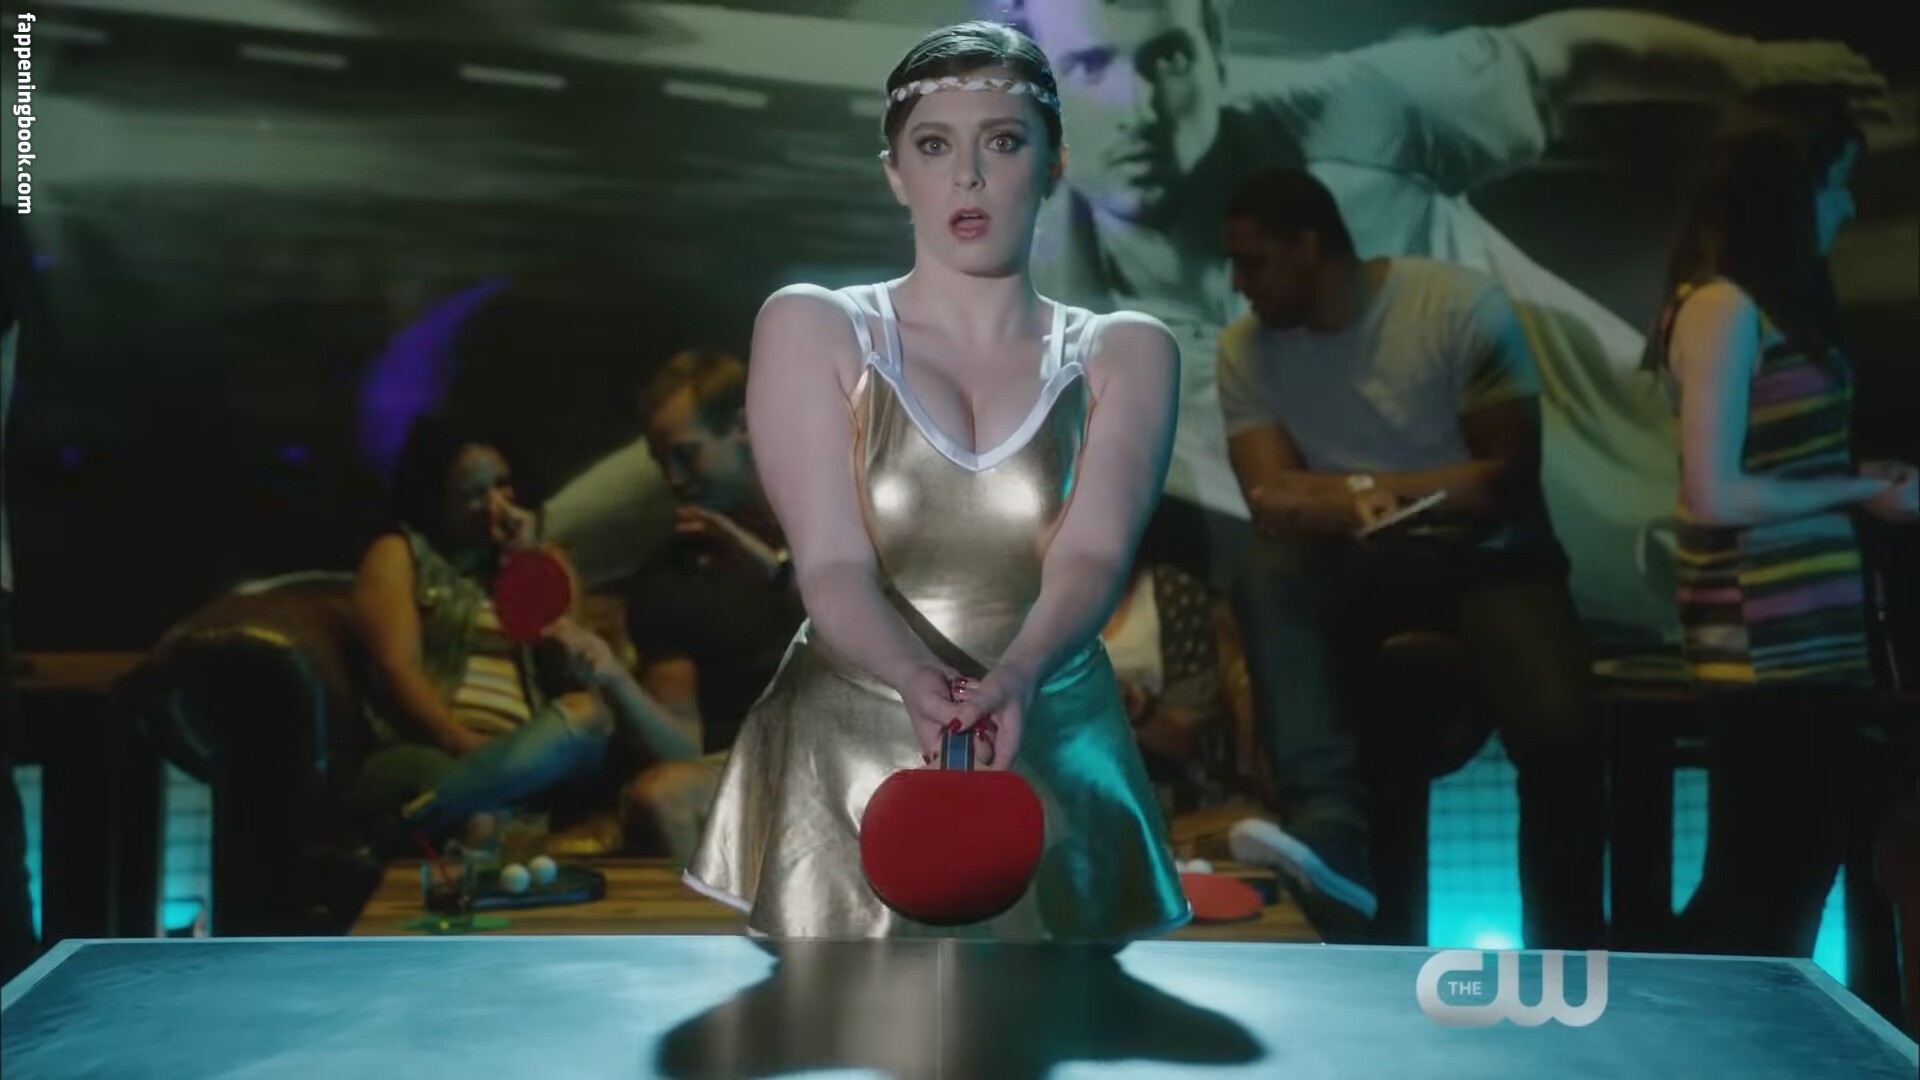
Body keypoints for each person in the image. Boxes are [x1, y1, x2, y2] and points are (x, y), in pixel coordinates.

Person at [1015, 0, 1887, 645]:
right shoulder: (1044, 313)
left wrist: (1754, 65)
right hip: (1493, 595)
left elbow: (1566, 59)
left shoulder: (1357, 112)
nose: (1137, 105)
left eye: (1167, 57)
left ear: (1214, 44)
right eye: (1088, 66)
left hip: (1680, 512)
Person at [683, 20, 1189, 941]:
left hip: (1052, 732)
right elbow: (831, 564)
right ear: (894, 173)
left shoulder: (1128, 351)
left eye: (1002, 142)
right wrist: (916, 677)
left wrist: (1019, 677)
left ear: (1054, 164)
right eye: (933, 146)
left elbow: (1092, 554)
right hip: (854, 747)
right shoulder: (814, 327)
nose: (968, 177)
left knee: (1062, 1016)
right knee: (838, 1017)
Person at [1217, 169, 1603, 948]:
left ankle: (1564, 955)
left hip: (1489, 555)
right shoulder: (1244, 348)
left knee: (1561, 738)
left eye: (1254, 262)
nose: (1238, 284)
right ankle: (1328, 830)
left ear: (1308, 246)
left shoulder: (1455, 306)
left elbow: (1502, 481)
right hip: (1355, 557)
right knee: (1268, 572)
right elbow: (1270, 500)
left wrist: (1352, 490)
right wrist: (1382, 498)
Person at [1647, 92, 1917, 956]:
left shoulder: (1774, 306)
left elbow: (1780, 464)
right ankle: (1672, 1022)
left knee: (1802, 866)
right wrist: (1853, 489)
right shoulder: (1721, 309)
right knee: (1755, 874)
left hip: (1811, 632)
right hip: (1758, 639)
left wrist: (1857, 480)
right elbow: (1713, 493)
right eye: (1835, 184)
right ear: (1787, 193)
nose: (1848, 205)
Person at [344, 415, 701, 851]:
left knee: (588, 716)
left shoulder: (538, 562)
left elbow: (568, 668)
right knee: (475, 814)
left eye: (502, 484)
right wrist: (462, 742)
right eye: (473, 494)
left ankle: (409, 825)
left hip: (536, 751)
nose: (495, 504)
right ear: (436, 500)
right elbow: (396, 670)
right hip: (429, 749)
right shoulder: (400, 555)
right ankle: (472, 807)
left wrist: (529, 561)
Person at [619, 349, 806, 862]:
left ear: (745, 425)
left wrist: (760, 558)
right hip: (753, 761)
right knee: (663, 798)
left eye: (687, 455)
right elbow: (680, 743)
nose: (675, 479)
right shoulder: (671, 578)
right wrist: (611, 678)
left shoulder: (836, 510)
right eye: (661, 462)